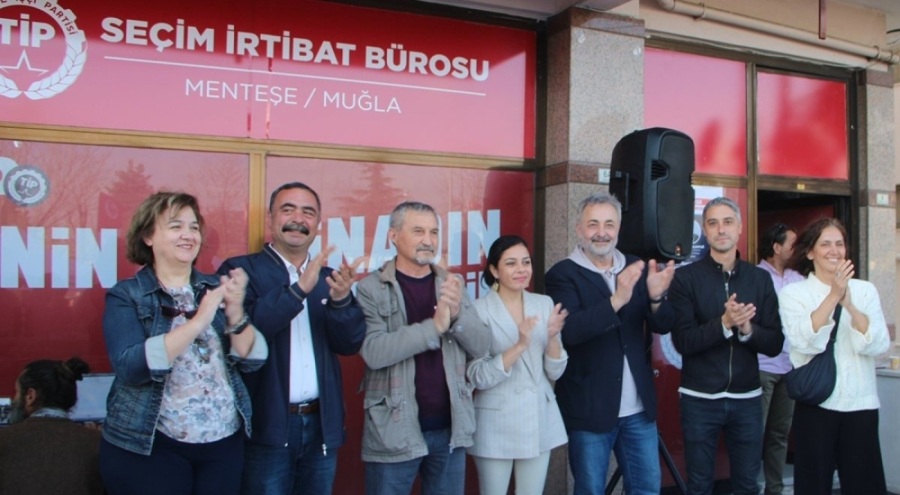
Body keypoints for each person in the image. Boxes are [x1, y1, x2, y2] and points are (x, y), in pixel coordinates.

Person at [100, 192, 268, 495]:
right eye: (176, 226)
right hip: (152, 445)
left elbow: (252, 360)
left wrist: (235, 310)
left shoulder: (214, 286)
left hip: (222, 443)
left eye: (193, 227)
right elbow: (130, 366)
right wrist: (197, 322)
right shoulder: (127, 295)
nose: (188, 235)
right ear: (148, 236)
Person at [217, 181, 366, 495]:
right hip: (266, 429)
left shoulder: (329, 278)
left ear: (318, 224)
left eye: (308, 212)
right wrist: (299, 290)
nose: (298, 218)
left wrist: (340, 301)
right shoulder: (241, 270)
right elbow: (247, 336)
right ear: (270, 219)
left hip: (320, 425)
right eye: (288, 209)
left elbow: (349, 344)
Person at [544, 191, 676, 495]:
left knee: (647, 489)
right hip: (590, 410)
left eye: (608, 224)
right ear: (579, 229)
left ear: (618, 228)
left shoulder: (636, 266)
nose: (601, 233)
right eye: (593, 224)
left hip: (638, 410)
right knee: (590, 490)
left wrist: (656, 297)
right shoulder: (562, 274)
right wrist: (617, 299)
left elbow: (663, 324)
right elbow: (571, 331)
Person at [356, 201, 491, 495]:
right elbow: (374, 352)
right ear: (393, 237)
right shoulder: (371, 288)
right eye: (418, 231)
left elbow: (482, 346)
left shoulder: (451, 284)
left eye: (433, 232)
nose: (428, 240)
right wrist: (434, 327)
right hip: (393, 430)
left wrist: (456, 315)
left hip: (451, 430)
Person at [667, 196, 783, 495]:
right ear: (704, 230)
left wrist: (747, 328)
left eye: (728, 222)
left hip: (747, 398)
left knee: (746, 484)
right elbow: (683, 341)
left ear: (740, 228)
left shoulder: (760, 279)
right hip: (699, 398)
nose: (721, 229)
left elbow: (774, 343)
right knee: (700, 484)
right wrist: (724, 324)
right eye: (713, 223)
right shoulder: (685, 278)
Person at [778, 218, 889, 494]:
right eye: (825, 244)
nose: (834, 251)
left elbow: (878, 344)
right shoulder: (794, 293)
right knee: (813, 485)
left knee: (864, 486)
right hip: (817, 404)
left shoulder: (865, 290)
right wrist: (833, 296)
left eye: (839, 244)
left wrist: (848, 302)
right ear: (810, 252)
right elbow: (805, 342)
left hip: (861, 404)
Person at [466, 235, 569, 495]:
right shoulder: (478, 310)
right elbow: (477, 375)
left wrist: (554, 336)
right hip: (496, 421)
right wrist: (519, 345)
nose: (521, 270)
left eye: (526, 262)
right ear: (493, 270)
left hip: (538, 417)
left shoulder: (543, 303)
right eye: (511, 263)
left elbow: (555, 371)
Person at [0, 357, 103, 495]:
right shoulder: (97, 443)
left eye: (17, 392)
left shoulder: (5, 440)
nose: (14, 399)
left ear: (30, 396)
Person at [756, 222, 804, 495]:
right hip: (762, 366)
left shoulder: (798, 278)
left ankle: (774, 489)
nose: (796, 250)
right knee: (756, 434)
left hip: (791, 367)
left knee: (779, 434)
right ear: (776, 247)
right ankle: (748, 486)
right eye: (792, 245)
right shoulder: (757, 276)